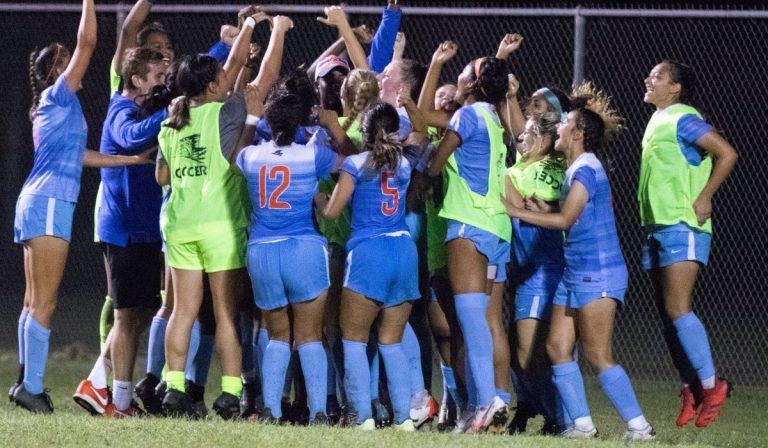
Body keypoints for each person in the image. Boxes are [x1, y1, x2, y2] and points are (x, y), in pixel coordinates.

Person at [11, 0, 153, 413]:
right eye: (66, 58)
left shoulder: (53, 106)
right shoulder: (58, 94)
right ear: (57, 68)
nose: (74, 61)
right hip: (49, 202)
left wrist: (127, 160)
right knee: (45, 302)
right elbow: (88, 41)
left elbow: (79, 155)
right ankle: (32, 387)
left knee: (32, 301)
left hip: (37, 200)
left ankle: (26, 383)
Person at [154, 14, 291, 419]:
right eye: (221, 76)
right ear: (213, 85)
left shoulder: (170, 122)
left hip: (179, 225)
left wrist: (248, 24)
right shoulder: (225, 114)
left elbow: (162, 175)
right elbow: (264, 77)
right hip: (220, 225)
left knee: (183, 311)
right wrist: (275, 30)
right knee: (226, 313)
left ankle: (174, 386)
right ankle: (231, 393)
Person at [502, 85, 654, 440]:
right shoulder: (574, 169)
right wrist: (545, 206)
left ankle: (639, 427)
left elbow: (566, 221)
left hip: (598, 273)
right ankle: (582, 425)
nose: (558, 127)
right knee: (556, 348)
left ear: (579, 134)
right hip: (574, 273)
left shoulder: (586, 168)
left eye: (565, 123)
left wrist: (517, 210)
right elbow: (571, 212)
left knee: (598, 355)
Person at [235, 69, 353, 425]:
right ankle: (319, 411)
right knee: (310, 336)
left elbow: (237, 154)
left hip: (263, 252)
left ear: (270, 121)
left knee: (277, 335)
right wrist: (331, 129)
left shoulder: (252, 156)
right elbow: (351, 164)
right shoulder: (312, 155)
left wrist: (252, 118)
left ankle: (270, 408)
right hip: (303, 248)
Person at [639, 60, 737, 428]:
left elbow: (727, 153)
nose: (649, 79)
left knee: (679, 308)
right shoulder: (658, 119)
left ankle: (714, 386)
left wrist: (706, 196)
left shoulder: (682, 116)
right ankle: (691, 386)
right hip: (656, 227)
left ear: (676, 88)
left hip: (683, 224)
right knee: (667, 317)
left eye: (659, 76)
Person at [322, 102, 425, 431]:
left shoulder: (354, 163)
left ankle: (362, 416)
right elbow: (421, 133)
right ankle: (404, 419)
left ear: (364, 133)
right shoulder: (405, 164)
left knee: (353, 339)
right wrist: (409, 104)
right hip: (403, 250)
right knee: (391, 341)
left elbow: (332, 212)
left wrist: (314, 195)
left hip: (369, 252)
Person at [427, 55, 512, 434]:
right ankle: (492, 400)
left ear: (474, 84)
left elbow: (435, 164)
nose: (457, 76)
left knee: (471, 319)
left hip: (468, 222)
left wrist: (425, 162)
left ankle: (484, 401)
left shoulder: (466, 115)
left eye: (463, 72)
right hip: (497, 227)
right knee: (485, 320)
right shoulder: (495, 118)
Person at [504, 112, 568, 434]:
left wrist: (493, 169)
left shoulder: (543, 170)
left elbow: (515, 204)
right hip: (525, 270)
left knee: (529, 354)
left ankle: (562, 418)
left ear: (542, 141)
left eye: (527, 133)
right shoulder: (527, 165)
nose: (519, 137)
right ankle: (532, 408)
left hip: (542, 269)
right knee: (519, 353)